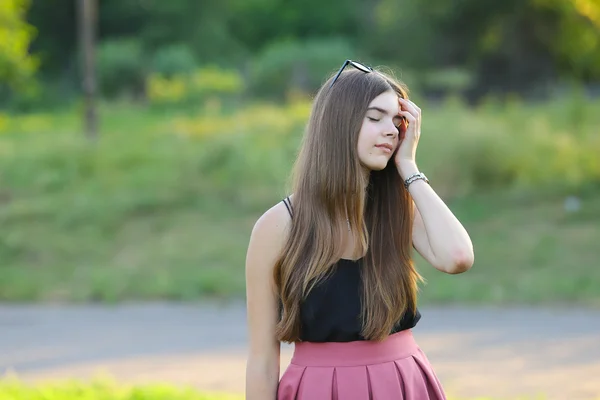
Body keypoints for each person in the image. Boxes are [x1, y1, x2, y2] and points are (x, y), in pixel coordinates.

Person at [245, 60, 474, 400]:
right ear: (339, 124)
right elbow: (263, 361)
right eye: (375, 117)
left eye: (398, 121)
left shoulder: (398, 210)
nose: (392, 130)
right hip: (318, 390)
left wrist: (409, 166)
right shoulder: (278, 226)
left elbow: (457, 257)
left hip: (401, 384)